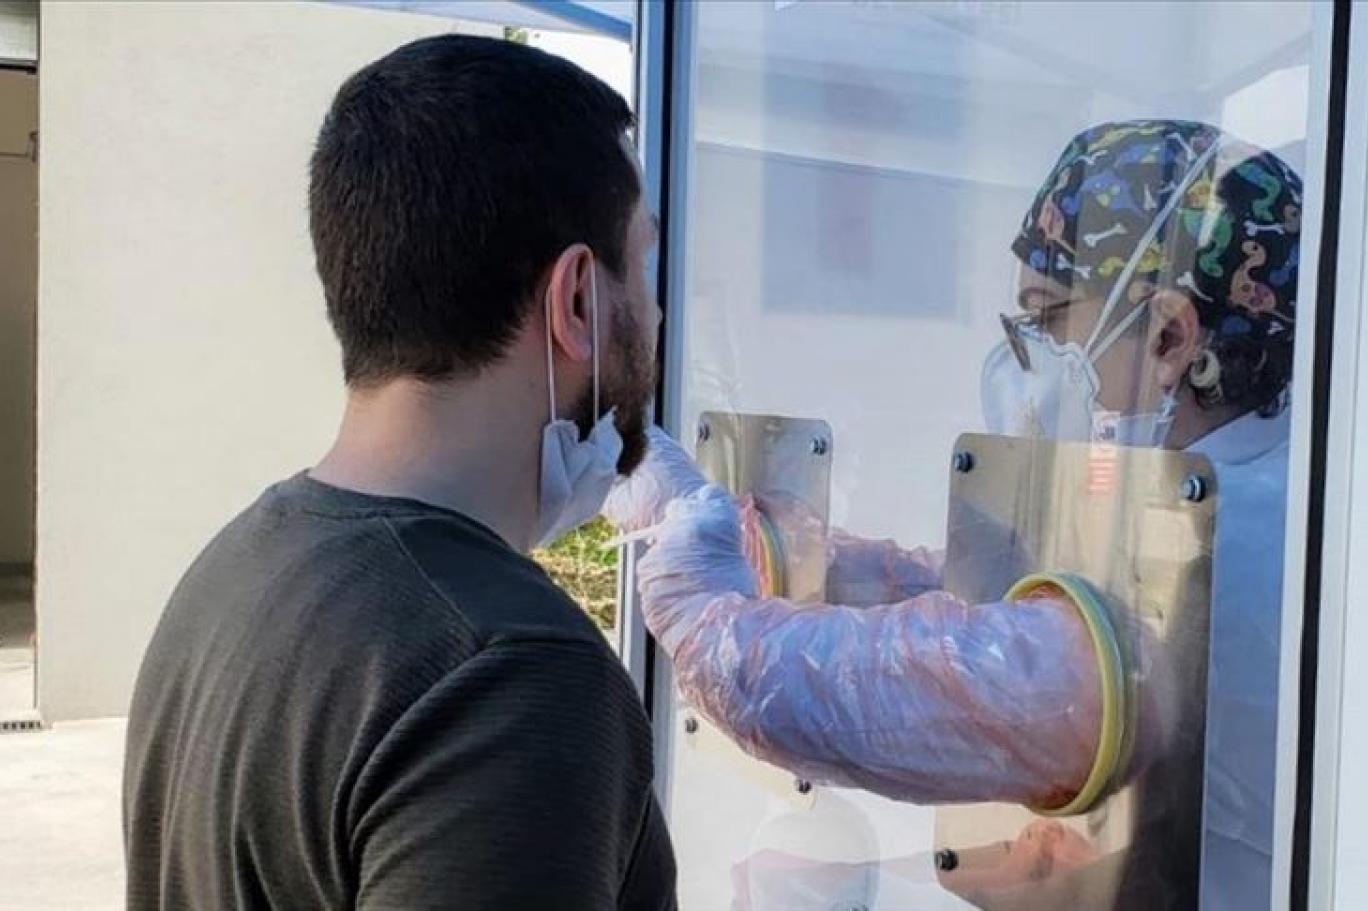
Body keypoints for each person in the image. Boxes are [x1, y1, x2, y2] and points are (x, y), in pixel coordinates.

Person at [605, 119, 1299, 908]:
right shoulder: (1250, 490)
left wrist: (693, 588)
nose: (1020, 358)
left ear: (1171, 337)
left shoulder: (1233, 550)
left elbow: (837, 691)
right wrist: (763, 543)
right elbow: (981, 604)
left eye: (1046, 321)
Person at [123, 36, 674, 910]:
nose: (656, 306)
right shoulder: (511, 674)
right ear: (575, 298)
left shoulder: (232, 571)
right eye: (641, 263)